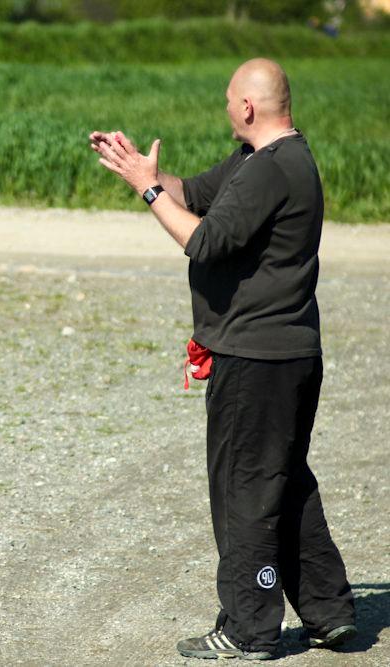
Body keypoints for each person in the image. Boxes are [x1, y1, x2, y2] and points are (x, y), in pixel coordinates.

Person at [88, 58, 356, 660]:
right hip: (283, 354)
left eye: (229, 98)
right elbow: (196, 197)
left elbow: (201, 240)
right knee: (284, 481)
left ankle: (249, 626)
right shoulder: (259, 162)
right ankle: (330, 609)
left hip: (257, 358)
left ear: (248, 107)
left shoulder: (275, 170)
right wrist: (147, 172)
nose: (225, 107)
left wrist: (147, 192)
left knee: (245, 489)